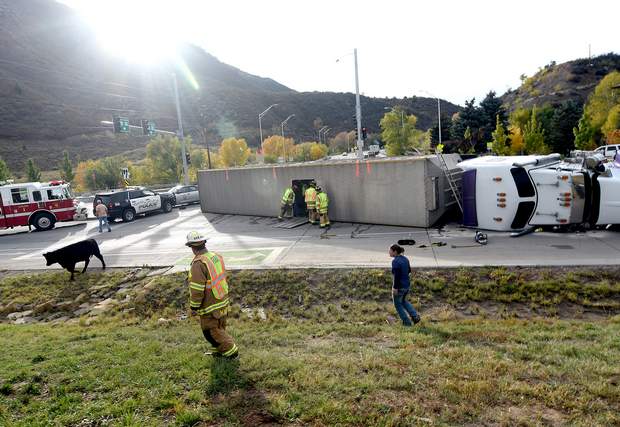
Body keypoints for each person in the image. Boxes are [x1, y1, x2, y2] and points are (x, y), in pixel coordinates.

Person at [186, 231, 238, 359]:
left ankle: (232, 353)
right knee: (219, 328)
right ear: (204, 243)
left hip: (210, 305)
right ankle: (218, 352)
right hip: (222, 299)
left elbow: (197, 289)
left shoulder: (198, 263)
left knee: (210, 332)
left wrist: (194, 307)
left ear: (191, 247)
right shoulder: (215, 256)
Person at [389, 243, 420, 326]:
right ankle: (415, 316)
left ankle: (407, 323)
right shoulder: (405, 259)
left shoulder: (395, 261)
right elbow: (409, 270)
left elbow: (397, 276)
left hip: (400, 287)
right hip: (406, 285)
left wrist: (395, 287)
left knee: (397, 305)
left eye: (390, 251)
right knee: (403, 301)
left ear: (395, 252)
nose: (389, 252)